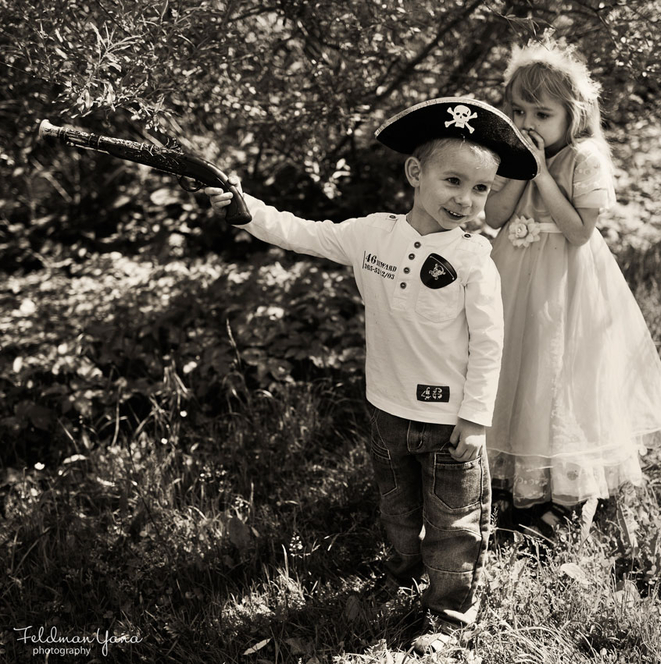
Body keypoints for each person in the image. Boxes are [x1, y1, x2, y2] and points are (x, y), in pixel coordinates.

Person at [203, 97, 538, 654]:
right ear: (415, 172)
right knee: (397, 508)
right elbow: (299, 231)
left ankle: (450, 614)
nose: (466, 199)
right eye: (453, 181)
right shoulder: (372, 235)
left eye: (481, 188)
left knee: (454, 522)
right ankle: (402, 575)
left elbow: (489, 344)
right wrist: (244, 208)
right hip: (386, 407)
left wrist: (476, 418)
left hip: (449, 419)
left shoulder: (474, 257)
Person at [484, 38, 661, 546]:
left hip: (567, 283)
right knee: (516, 366)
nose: (527, 122)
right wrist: (518, 168)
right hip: (513, 275)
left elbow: (577, 232)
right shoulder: (512, 154)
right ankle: (520, 482)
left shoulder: (584, 158)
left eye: (542, 114)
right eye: (518, 111)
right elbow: (494, 216)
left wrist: (541, 174)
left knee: (559, 374)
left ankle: (569, 494)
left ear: (572, 115)